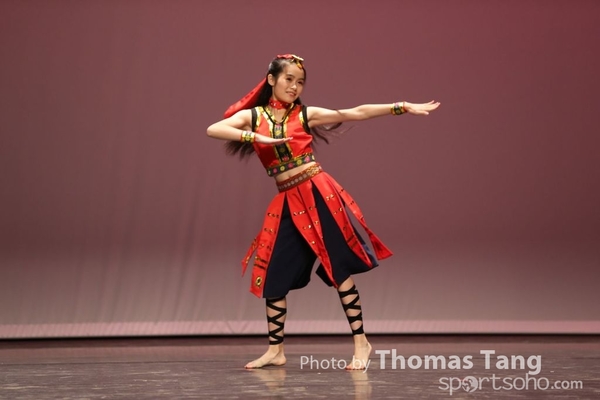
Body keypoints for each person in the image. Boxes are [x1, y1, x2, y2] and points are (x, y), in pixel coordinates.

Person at [207, 54, 440, 370]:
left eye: (300, 82)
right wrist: (255, 136)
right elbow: (214, 129)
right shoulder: (254, 117)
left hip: (317, 193)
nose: (294, 86)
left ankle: (362, 343)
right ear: (272, 80)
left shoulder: (304, 115)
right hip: (288, 200)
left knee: (337, 266)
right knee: (274, 274)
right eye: (289, 79)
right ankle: (276, 350)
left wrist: (400, 106)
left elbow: (355, 112)